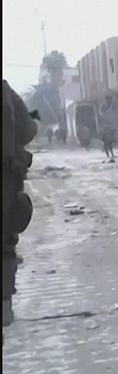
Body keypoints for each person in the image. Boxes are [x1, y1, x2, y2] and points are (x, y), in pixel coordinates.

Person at [2, 80, 37, 331]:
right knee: (5, 242)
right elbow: (27, 130)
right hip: (5, 180)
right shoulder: (6, 92)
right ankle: (4, 306)